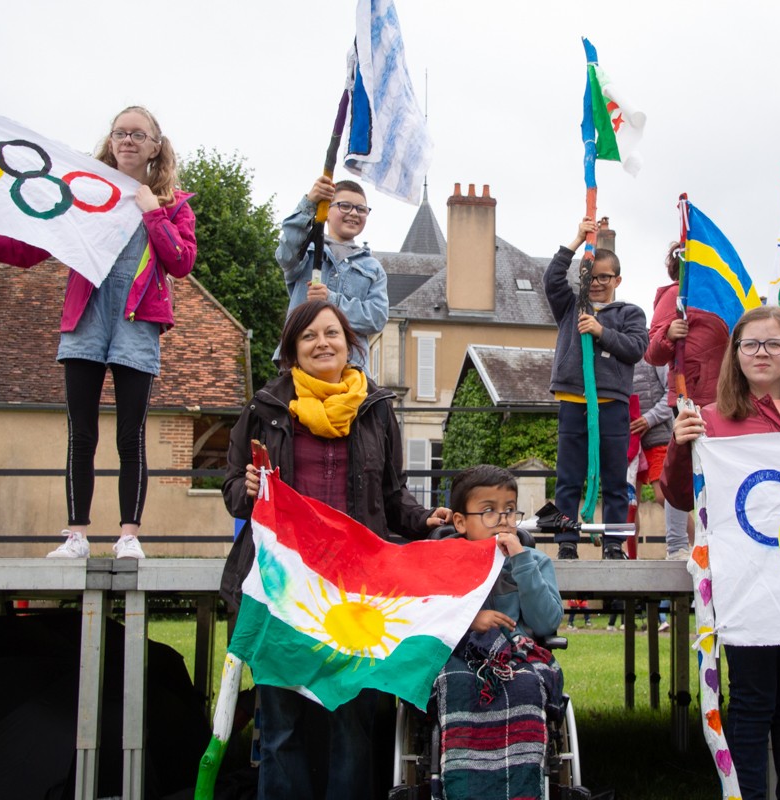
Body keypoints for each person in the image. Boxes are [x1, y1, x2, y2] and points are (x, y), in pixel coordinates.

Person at [0, 106, 196, 559]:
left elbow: (181, 262)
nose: (128, 141)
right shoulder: (85, 194)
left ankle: (129, 535)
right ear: (111, 142)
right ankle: (76, 535)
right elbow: (31, 247)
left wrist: (153, 214)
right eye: (120, 133)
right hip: (86, 319)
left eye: (138, 134)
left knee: (131, 434)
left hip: (137, 323)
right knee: (81, 433)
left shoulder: (174, 205)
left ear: (155, 145)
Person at [219, 299, 449, 800]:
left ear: (350, 343)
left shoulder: (376, 409)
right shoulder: (263, 408)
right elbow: (233, 487)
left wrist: (423, 519)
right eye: (309, 337)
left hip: (354, 585)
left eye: (332, 334)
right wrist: (250, 489)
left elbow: (391, 497)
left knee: (351, 723)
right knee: (282, 726)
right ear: (292, 349)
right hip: (283, 586)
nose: (323, 343)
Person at [661, 306, 780, 800]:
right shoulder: (712, 421)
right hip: (745, 583)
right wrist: (682, 448)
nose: (761, 354)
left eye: (773, 344)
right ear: (735, 354)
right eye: (750, 345)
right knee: (751, 699)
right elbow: (682, 497)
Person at [435, 464, 564, 800]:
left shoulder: (534, 562)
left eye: (509, 510)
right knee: (456, 681)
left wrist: (521, 562)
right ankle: (466, 786)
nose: (503, 519)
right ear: (461, 522)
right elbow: (428, 614)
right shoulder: (444, 561)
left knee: (525, 681)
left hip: (515, 655)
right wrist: (470, 619)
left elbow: (547, 623)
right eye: (489, 511)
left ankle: (518, 787)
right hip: (460, 654)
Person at [546, 218, 648, 559]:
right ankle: (566, 544)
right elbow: (551, 279)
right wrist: (575, 240)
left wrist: (601, 331)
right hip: (575, 401)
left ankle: (614, 544)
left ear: (617, 279)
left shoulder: (630, 313)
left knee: (615, 480)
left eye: (605, 277)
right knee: (568, 479)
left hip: (612, 404)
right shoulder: (571, 306)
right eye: (591, 277)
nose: (597, 284)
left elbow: (636, 348)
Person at [274, 175, 388, 373]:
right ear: (326, 210)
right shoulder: (305, 253)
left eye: (361, 209)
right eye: (344, 206)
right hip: (300, 368)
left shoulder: (373, 268)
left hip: (350, 372)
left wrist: (332, 301)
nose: (353, 213)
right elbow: (285, 253)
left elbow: (377, 318)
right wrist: (310, 202)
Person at [645, 242, 731, 410]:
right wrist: (668, 335)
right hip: (691, 396)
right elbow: (652, 355)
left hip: (727, 392)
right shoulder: (675, 295)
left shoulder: (723, 298)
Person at [630, 360, 691, 560]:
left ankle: (696, 543)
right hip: (629, 437)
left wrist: (649, 419)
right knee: (630, 502)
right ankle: (631, 556)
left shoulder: (653, 357)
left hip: (658, 435)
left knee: (664, 495)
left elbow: (671, 395)